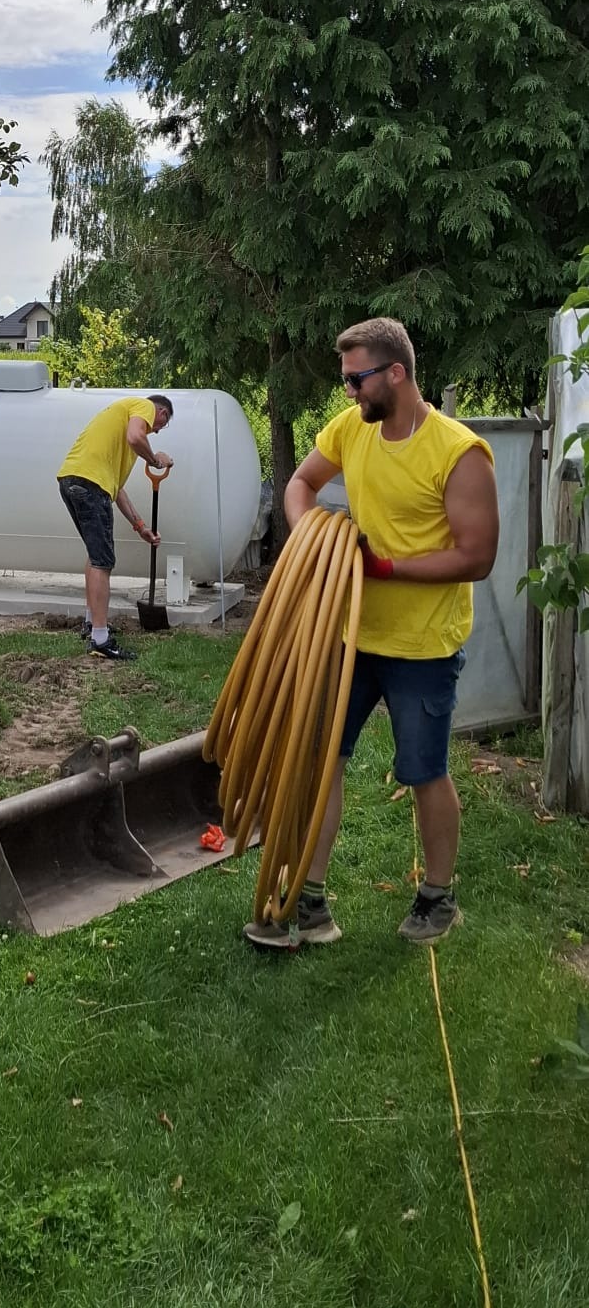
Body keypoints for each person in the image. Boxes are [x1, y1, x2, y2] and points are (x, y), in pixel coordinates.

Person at [245, 318, 499, 951]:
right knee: (318, 755)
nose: (349, 392)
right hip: (348, 631)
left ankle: (436, 897)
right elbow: (299, 486)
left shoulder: (458, 452)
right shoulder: (349, 431)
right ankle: (309, 900)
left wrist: (386, 568)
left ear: (396, 373)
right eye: (345, 381)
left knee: (422, 770)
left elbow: (476, 556)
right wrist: (310, 533)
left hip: (422, 645)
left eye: (356, 379)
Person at [57, 395, 174, 661]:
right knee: (103, 561)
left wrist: (140, 526)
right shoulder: (142, 407)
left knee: (96, 555)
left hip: (71, 479)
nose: (155, 430)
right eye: (161, 424)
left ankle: (91, 622)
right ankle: (100, 638)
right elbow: (136, 436)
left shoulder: (119, 439)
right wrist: (155, 460)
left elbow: (116, 489)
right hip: (89, 484)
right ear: (162, 411)